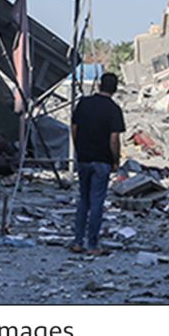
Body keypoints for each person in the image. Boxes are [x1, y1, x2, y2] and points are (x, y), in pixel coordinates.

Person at [70, 72, 125, 255]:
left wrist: (79, 149)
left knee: (83, 200)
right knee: (97, 203)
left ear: (99, 85)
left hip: (84, 159)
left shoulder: (84, 103)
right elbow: (114, 138)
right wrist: (116, 160)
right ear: (115, 88)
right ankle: (92, 245)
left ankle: (77, 242)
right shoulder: (114, 109)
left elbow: (74, 128)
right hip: (102, 161)